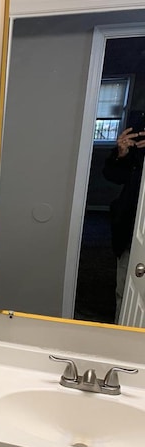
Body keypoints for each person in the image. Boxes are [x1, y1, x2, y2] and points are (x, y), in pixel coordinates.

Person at [103, 115, 145, 321]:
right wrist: (122, 153)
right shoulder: (135, 150)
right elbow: (112, 175)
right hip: (131, 228)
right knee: (126, 289)